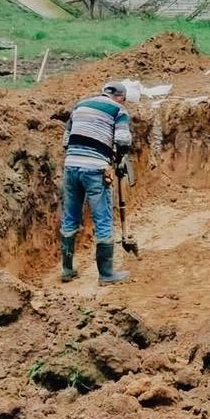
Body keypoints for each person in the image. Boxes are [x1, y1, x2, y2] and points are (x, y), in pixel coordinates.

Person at [60, 81, 132, 285]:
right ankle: (106, 274)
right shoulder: (119, 110)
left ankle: (66, 269)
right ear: (119, 97)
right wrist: (117, 162)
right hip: (95, 169)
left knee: (70, 217)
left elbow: (66, 141)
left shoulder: (80, 105)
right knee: (103, 218)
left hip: (71, 166)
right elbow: (123, 141)